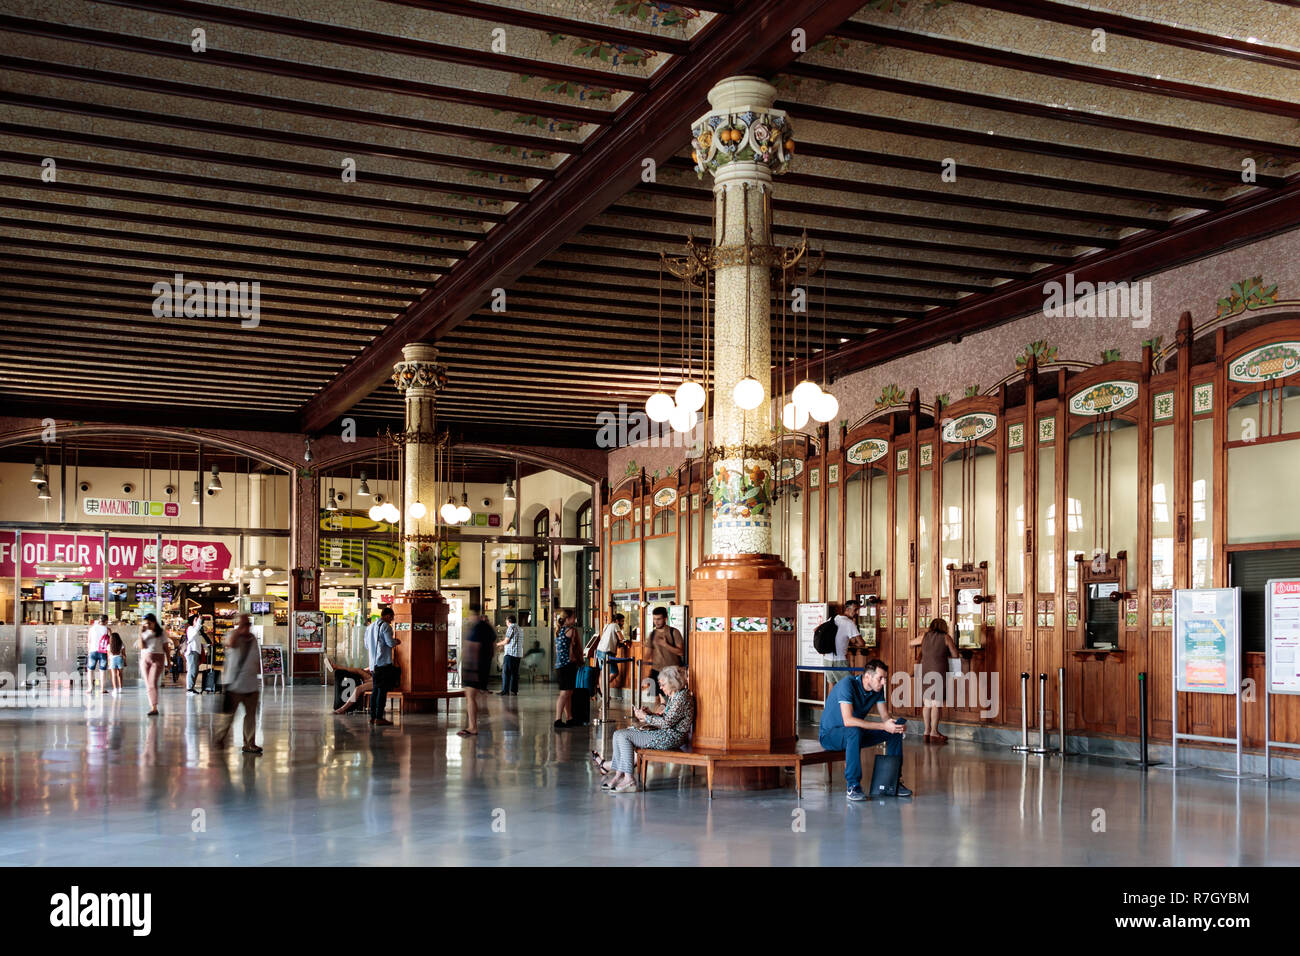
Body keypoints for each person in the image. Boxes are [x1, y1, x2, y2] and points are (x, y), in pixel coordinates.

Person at [818, 659, 912, 801]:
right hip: (831, 735)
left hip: (855, 733)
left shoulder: (877, 690)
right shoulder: (847, 685)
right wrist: (883, 726)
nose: (884, 682)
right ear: (867, 677)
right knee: (853, 731)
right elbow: (848, 721)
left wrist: (894, 725)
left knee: (894, 731)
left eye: (885, 679)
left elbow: (885, 717)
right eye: (880, 678)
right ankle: (853, 786)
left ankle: (893, 783)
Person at [593, 666, 694, 794]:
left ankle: (629, 779)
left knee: (624, 736)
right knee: (618, 734)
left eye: (663, 685)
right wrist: (650, 714)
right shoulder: (676, 696)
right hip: (666, 734)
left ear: (672, 683)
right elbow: (667, 718)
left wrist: (646, 717)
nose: (661, 688)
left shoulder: (681, 698)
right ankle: (619, 775)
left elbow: (667, 723)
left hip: (671, 737)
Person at [214, 614, 262, 755]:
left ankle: (249, 743)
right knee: (228, 716)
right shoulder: (232, 636)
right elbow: (230, 644)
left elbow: (256, 657)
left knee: (251, 715)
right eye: (243, 624)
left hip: (251, 684)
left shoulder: (253, 638)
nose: (246, 627)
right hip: (234, 684)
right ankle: (219, 738)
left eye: (248, 624)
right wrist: (238, 631)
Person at [909, 617, 959, 743]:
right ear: (944, 627)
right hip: (939, 671)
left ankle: (926, 730)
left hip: (925, 670)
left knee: (927, 703)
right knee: (936, 703)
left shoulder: (924, 636)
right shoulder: (946, 637)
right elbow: (955, 654)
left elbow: (910, 643)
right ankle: (934, 732)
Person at [458, 605, 496, 737]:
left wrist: (470, 669)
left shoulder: (477, 628)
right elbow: (493, 647)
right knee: (473, 696)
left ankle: (473, 726)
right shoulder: (488, 627)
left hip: (475, 667)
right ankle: (472, 725)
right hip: (484, 666)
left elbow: (473, 648)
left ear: (473, 614)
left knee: (470, 696)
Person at [365, 607, 400, 727]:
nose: (391, 620)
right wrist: (397, 642)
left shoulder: (370, 627)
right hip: (383, 663)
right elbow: (390, 643)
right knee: (382, 691)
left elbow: (366, 645)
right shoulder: (385, 626)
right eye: (391, 617)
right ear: (386, 616)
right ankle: (379, 717)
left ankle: (373, 717)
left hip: (373, 664)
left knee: (375, 690)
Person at [643, 607, 683, 706]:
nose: (656, 622)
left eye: (659, 619)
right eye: (654, 619)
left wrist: (665, 644)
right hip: (656, 670)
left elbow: (681, 652)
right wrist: (644, 673)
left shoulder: (674, 632)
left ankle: (668, 719)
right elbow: (647, 655)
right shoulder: (652, 634)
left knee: (672, 700)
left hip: (672, 671)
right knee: (656, 698)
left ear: (665, 618)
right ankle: (657, 719)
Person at [553, 608, 581, 728]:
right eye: (573, 617)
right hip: (568, 665)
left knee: (568, 692)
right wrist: (577, 659)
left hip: (560, 665)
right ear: (568, 619)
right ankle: (558, 719)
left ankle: (569, 718)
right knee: (565, 693)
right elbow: (573, 648)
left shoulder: (559, 631)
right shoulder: (571, 630)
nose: (575, 619)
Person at [137, 613, 168, 717]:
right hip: (145, 658)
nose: (147, 625)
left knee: (152, 682)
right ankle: (153, 706)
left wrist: (169, 661)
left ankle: (154, 707)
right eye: (145, 624)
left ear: (154, 622)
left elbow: (166, 647)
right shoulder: (144, 632)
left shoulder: (161, 632)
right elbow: (141, 647)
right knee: (148, 683)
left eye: (149, 623)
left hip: (158, 658)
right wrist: (140, 634)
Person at [827, 600, 863, 685]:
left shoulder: (832, 619)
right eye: (855, 609)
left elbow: (816, 630)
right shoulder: (849, 623)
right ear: (847, 609)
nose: (856, 612)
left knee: (832, 686)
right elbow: (861, 643)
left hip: (827, 660)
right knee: (848, 685)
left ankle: (831, 699)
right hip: (840, 660)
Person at [496, 614, 523, 695]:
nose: (506, 623)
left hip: (510, 653)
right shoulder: (519, 628)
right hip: (518, 654)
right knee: (514, 673)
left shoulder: (511, 627)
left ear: (508, 621)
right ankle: (514, 690)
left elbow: (506, 641)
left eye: (506, 621)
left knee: (506, 672)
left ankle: (505, 690)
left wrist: (497, 644)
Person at [183, 613, 208, 694]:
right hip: (192, 652)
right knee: (192, 670)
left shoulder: (196, 631)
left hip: (195, 651)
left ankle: (191, 688)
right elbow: (193, 635)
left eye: (198, 620)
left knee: (195, 670)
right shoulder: (191, 629)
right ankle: (189, 689)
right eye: (196, 619)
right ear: (193, 621)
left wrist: (206, 645)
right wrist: (199, 621)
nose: (197, 621)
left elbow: (197, 642)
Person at [86, 614, 111, 695]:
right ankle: (102, 689)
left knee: (90, 670)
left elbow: (89, 641)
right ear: (106, 621)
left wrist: (89, 651)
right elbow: (110, 642)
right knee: (102, 670)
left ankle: (90, 688)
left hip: (92, 651)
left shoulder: (92, 628)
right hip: (103, 652)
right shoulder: (107, 629)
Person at [108, 631, 126, 695]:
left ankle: (115, 689)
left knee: (114, 675)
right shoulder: (122, 644)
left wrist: (109, 663)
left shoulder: (109, 646)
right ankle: (120, 688)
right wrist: (125, 662)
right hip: (120, 659)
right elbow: (124, 654)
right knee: (120, 675)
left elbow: (108, 656)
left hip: (112, 660)